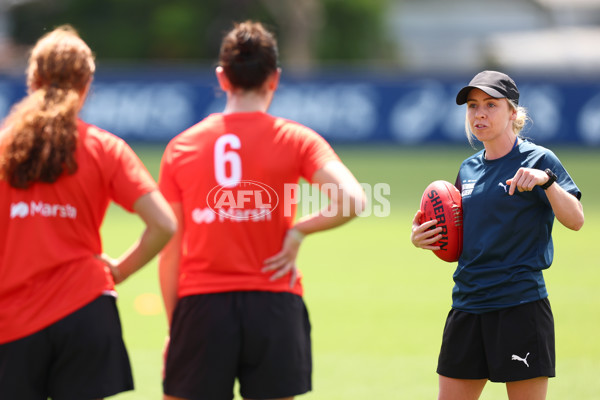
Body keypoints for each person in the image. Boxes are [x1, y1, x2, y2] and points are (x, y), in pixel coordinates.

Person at [159, 20, 366, 400]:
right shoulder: (296, 139)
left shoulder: (181, 147)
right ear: (275, 78)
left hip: (202, 307)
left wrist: (177, 330)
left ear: (222, 77)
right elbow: (354, 200)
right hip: (274, 305)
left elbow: (171, 249)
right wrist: (300, 229)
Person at [0, 25, 177, 399]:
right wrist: (118, 271)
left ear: (33, 80)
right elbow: (163, 223)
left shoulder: (3, 149)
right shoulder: (105, 148)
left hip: (12, 323)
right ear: (87, 83)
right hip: (86, 311)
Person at [411, 70, 584, 400]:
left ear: (513, 112)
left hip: (519, 307)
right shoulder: (468, 168)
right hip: (467, 304)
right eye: (473, 106)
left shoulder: (539, 159)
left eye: (491, 105)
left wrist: (546, 182)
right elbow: (459, 230)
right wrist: (422, 236)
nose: (479, 114)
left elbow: (576, 220)